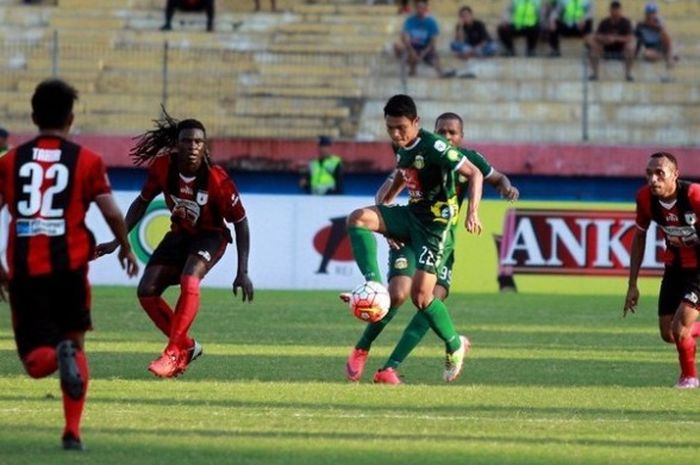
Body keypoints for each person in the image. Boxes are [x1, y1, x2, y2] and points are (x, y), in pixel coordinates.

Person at [0, 78, 139, 450]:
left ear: (32, 116)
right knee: (75, 347)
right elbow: (110, 211)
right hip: (72, 273)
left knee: (34, 362)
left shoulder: (10, 162)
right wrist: (126, 247)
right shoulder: (88, 161)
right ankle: (72, 431)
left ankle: (55, 359)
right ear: (71, 118)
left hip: (26, 274)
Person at [346, 112, 519, 384]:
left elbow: (496, 178)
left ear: (461, 136)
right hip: (411, 230)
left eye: (452, 132)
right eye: (442, 131)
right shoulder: (422, 154)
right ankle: (362, 348)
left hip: (441, 239)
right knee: (398, 294)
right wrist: (387, 227)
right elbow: (387, 191)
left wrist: (506, 188)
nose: (447, 136)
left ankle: (389, 368)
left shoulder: (469, 160)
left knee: (430, 300)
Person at [95, 111, 254, 378]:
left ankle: (172, 353)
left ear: (205, 147)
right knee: (146, 291)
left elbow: (241, 223)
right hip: (179, 234)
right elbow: (141, 202)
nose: (192, 147)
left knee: (189, 279)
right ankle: (187, 347)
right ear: (177, 145)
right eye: (187, 141)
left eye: (198, 142)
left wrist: (243, 271)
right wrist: (117, 241)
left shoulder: (218, 180)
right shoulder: (162, 167)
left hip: (211, 236)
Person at [624, 152, 700, 389]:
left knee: (680, 327)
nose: (653, 179)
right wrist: (632, 284)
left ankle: (689, 378)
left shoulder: (694, 195)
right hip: (675, 269)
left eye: (659, 173)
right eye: (649, 173)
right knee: (668, 333)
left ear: (675, 175)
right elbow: (639, 237)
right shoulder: (645, 199)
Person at [394, 0, 451, 78]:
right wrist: (412, 51)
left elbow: (432, 42)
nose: (420, 10)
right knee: (398, 46)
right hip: (413, 46)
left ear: (425, 9)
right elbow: (406, 38)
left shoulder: (431, 22)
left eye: (422, 8)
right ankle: (412, 70)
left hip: (425, 47)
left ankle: (441, 73)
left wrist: (423, 53)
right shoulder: (409, 20)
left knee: (434, 58)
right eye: (418, 7)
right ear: (415, 8)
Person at [586, 0, 634, 81]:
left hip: (621, 49)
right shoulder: (604, 22)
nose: (615, 12)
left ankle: (628, 74)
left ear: (620, 10)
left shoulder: (625, 22)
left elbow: (630, 37)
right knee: (594, 46)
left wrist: (615, 39)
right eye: (613, 9)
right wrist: (605, 38)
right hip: (606, 48)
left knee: (630, 47)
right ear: (610, 10)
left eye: (617, 9)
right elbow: (597, 35)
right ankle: (595, 74)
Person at [635, 2, 676, 80]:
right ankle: (667, 57)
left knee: (665, 34)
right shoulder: (640, 24)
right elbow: (638, 39)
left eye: (653, 13)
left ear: (656, 13)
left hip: (661, 46)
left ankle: (669, 56)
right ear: (646, 14)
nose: (651, 15)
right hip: (651, 48)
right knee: (646, 54)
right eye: (649, 13)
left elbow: (667, 38)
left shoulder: (660, 22)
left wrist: (653, 26)